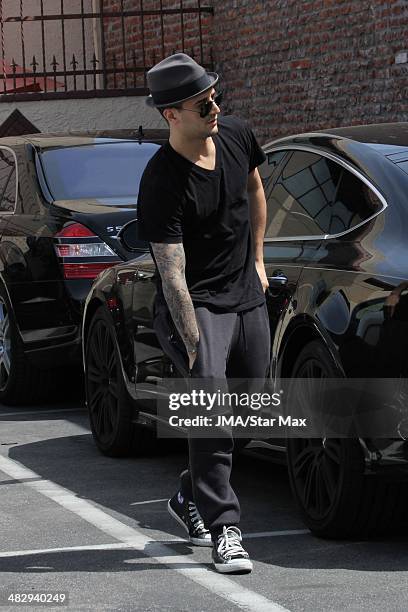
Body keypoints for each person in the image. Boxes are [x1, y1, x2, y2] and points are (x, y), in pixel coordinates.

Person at [137, 53, 270, 574]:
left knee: (253, 408)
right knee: (210, 408)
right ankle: (225, 528)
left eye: (215, 96)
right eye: (202, 103)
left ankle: (188, 493)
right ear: (172, 114)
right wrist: (195, 346)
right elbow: (171, 273)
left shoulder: (237, 134)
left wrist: (258, 259)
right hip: (197, 304)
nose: (215, 107)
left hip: (245, 294)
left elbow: (256, 188)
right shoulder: (162, 179)